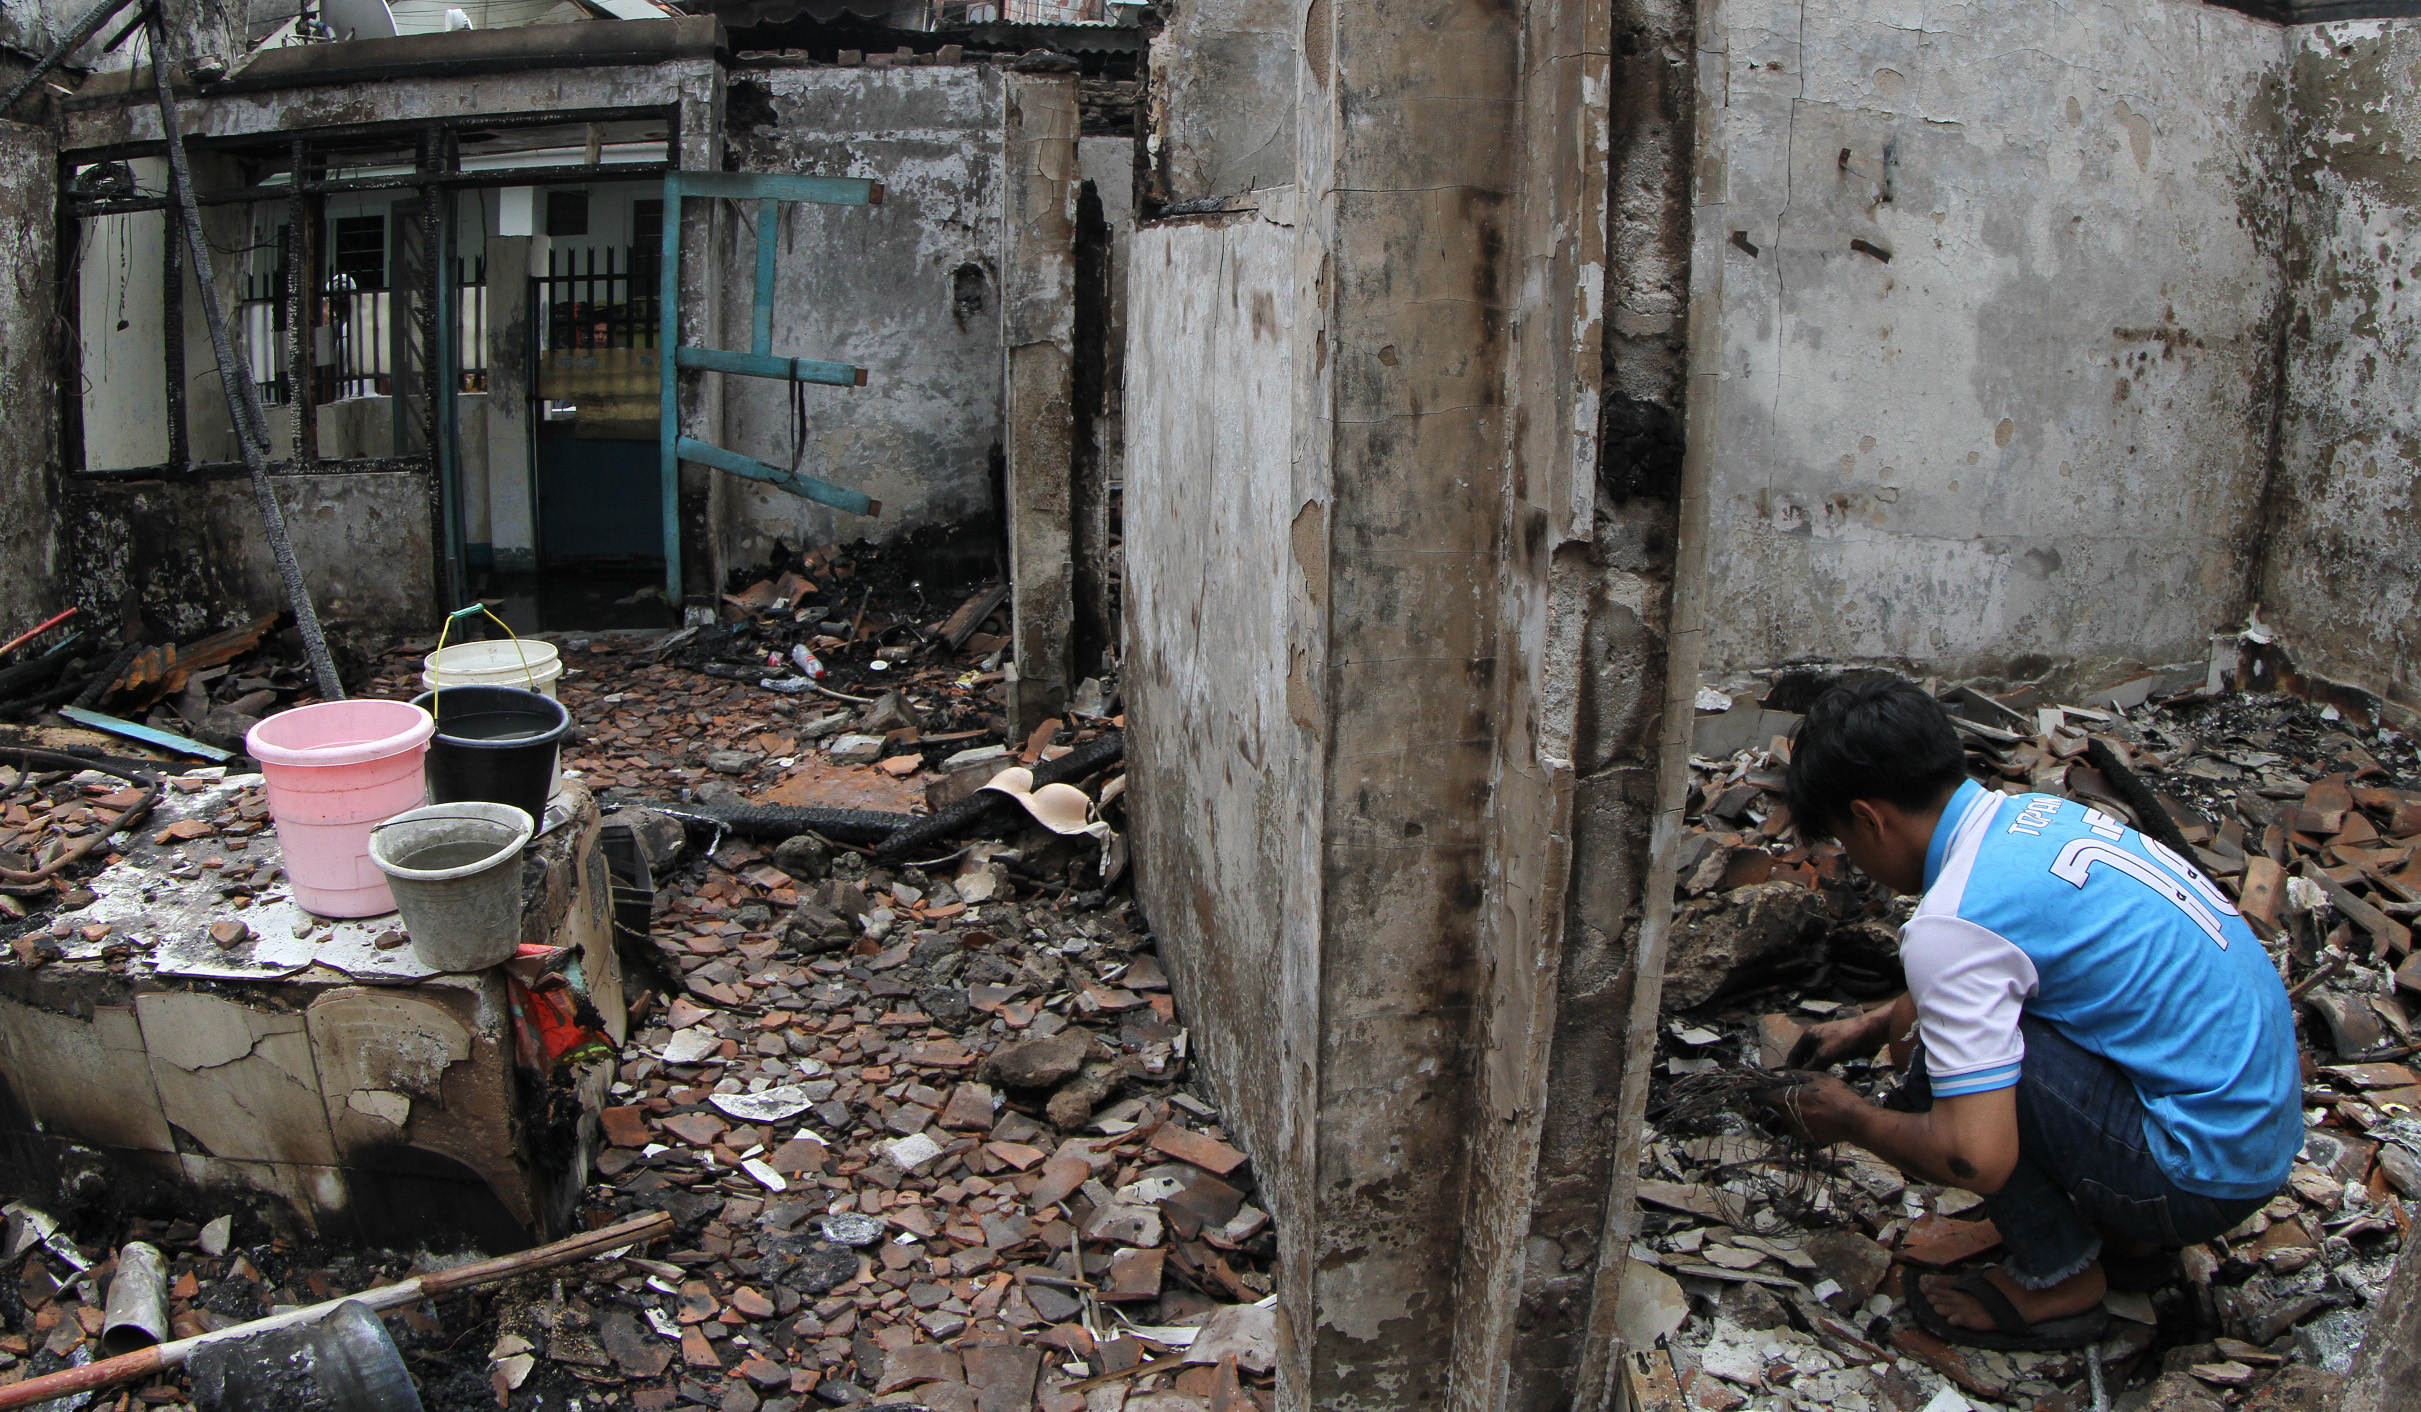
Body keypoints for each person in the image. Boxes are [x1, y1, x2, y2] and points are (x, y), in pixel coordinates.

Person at [1756, 677, 2299, 1351]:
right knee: (1924, 1021)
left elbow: (1971, 1157)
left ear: (1868, 818)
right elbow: (2000, 962)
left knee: (1926, 1045)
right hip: (2256, 1138)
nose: (1857, 864)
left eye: (1844, 839)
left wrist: (1849, 1119)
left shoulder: (1948, 923)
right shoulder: (2032, 819)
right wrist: (1864, 1023)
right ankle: (2127, 1232)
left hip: (2195, 1175)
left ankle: (2057, 1280)